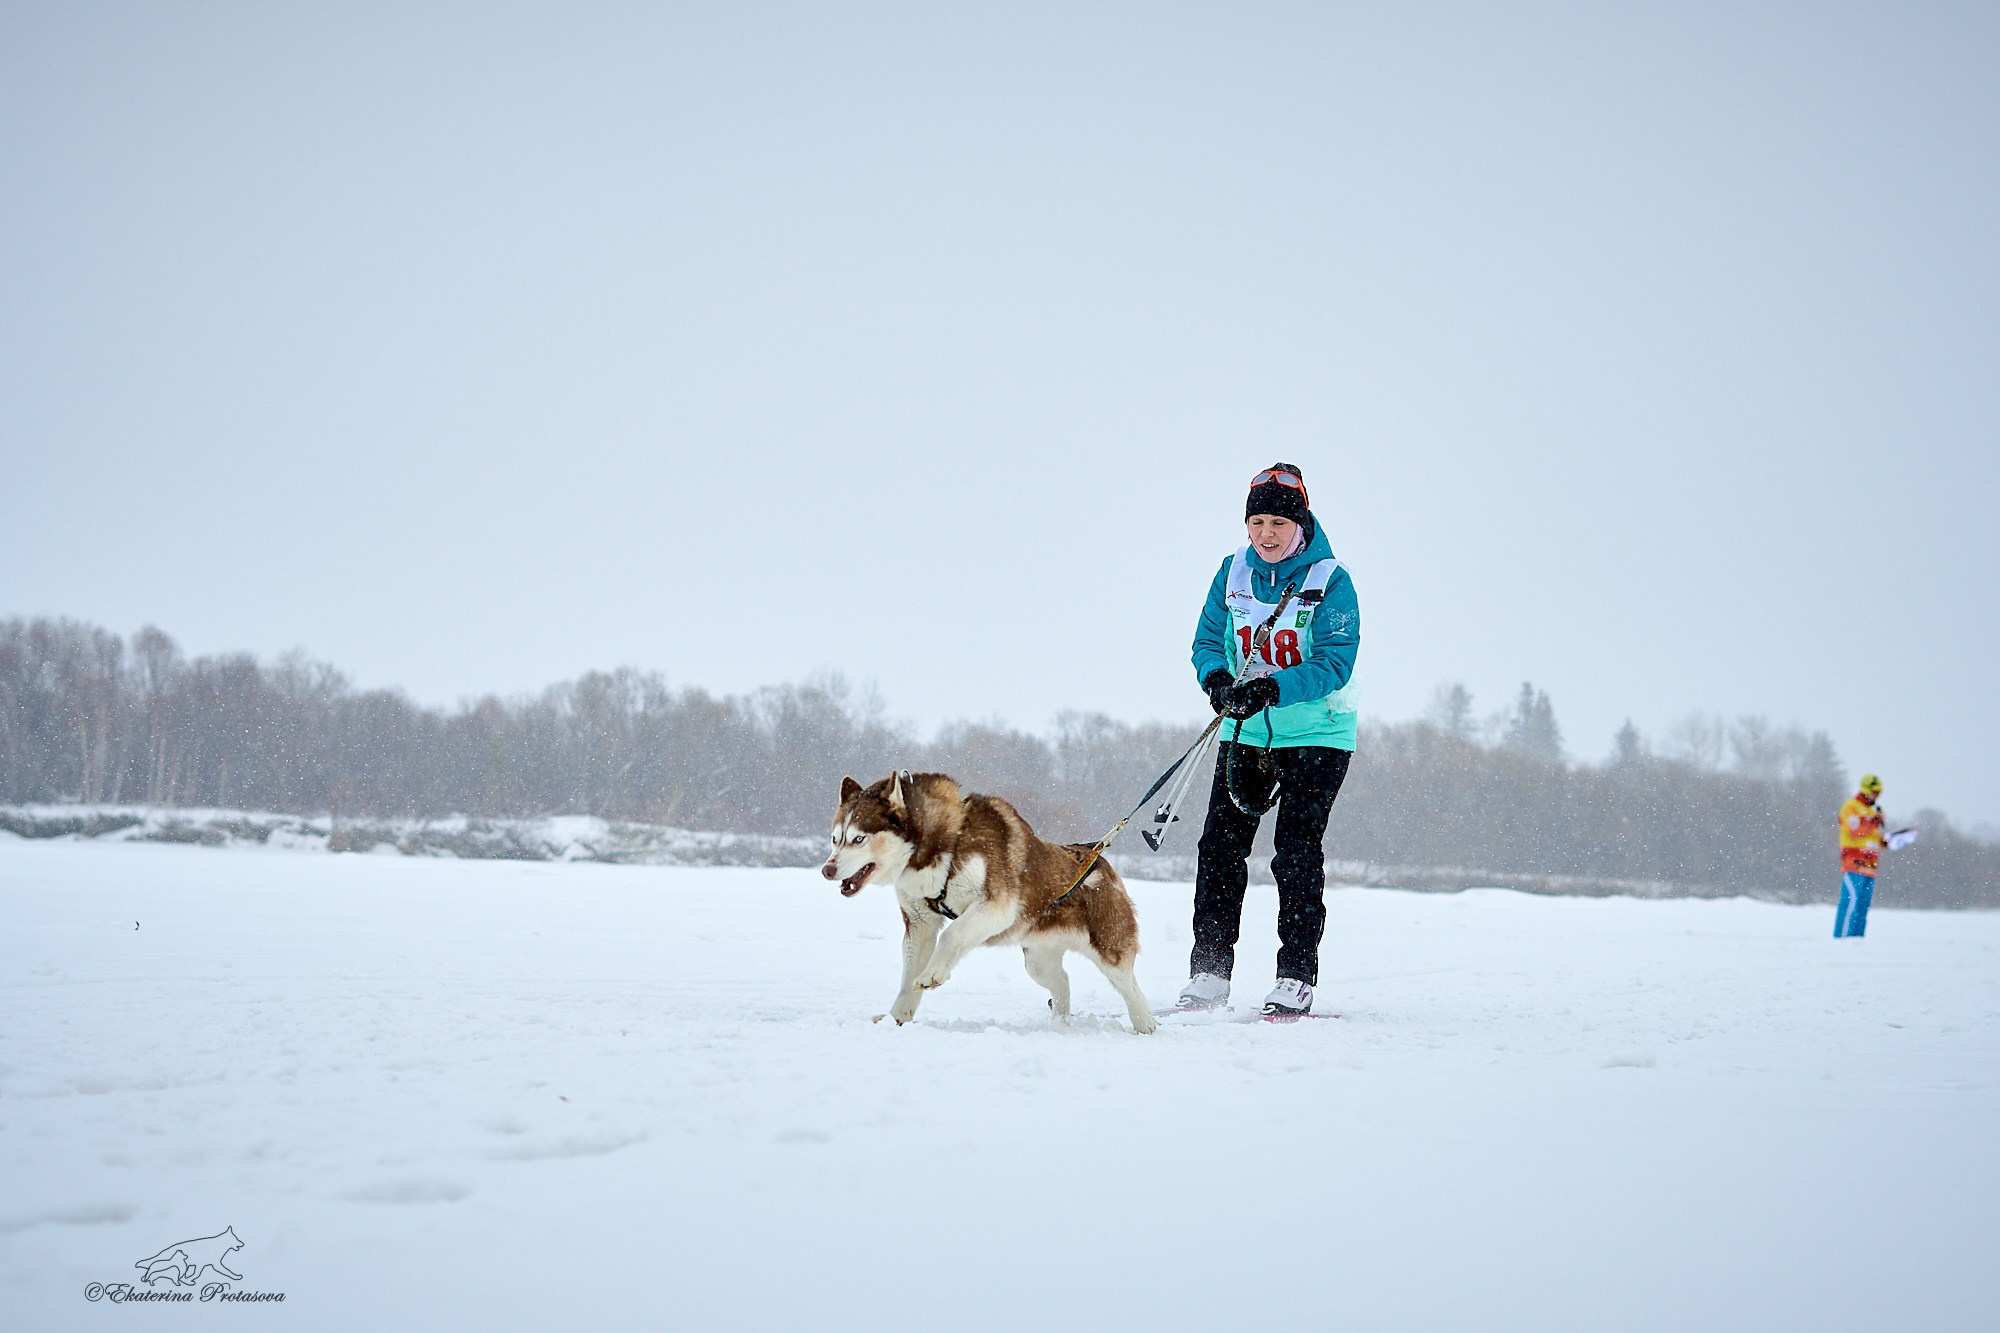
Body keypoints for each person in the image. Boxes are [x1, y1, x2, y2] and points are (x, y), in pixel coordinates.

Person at [1178, 463, 1360, 1016]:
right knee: (1220, 849)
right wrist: (1216, 679)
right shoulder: (1231, 572)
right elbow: (1207, 639)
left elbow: (1336, 663)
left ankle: (1295, 976)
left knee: (1296, 853)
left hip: (1318, 736)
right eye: (1257, 520)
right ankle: (1209, 970)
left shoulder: (1330, 580)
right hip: (1245, 734)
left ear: (1298, 522)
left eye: (1278, 521)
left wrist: (1271, 689)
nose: (1266, 534)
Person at [1835, 774, 1887, 938]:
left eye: (1879, 792)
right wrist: (1874, 821)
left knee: (1863, 906)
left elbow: (1874, 838)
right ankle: (1841, 939)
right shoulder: (1851, 807)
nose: (1876, 795)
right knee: (1851, 901)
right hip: (1853, 861)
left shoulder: (1872, 811)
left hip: (1871, 864)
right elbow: (1855, 831)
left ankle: (1856, 940)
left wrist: (1887, 841)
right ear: (1865, 790)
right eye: (1874, 791)